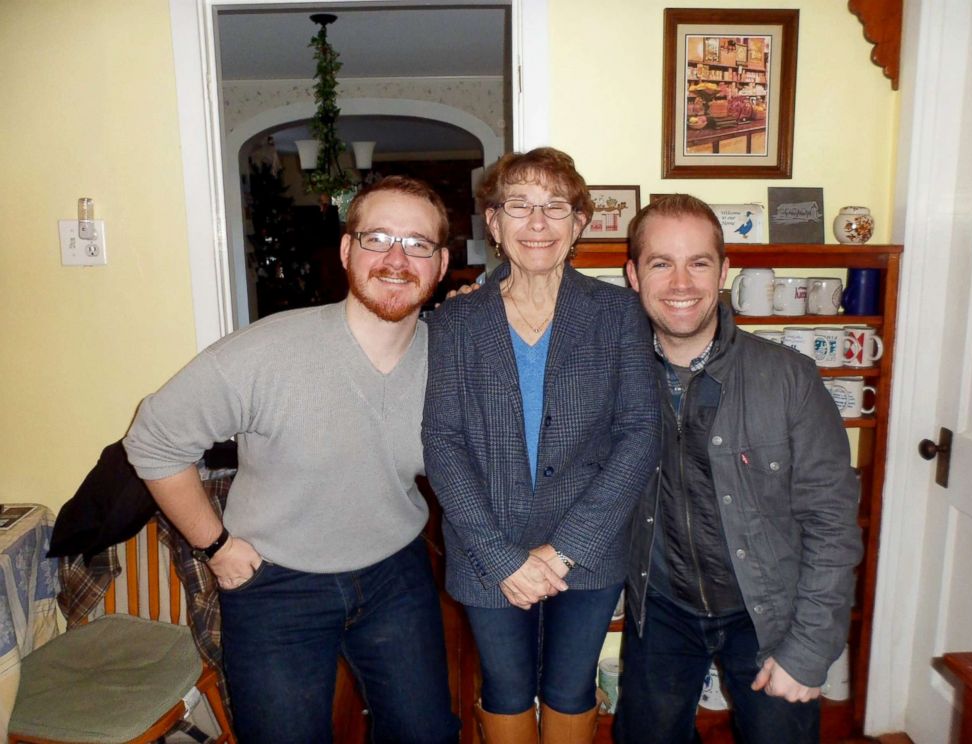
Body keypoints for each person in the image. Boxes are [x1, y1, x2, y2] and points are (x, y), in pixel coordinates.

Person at [123, 176, 460, 744]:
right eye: (377, 237)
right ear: (348, 250)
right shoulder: (267, 352)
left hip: (395, 575)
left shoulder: (453, 359)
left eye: (418, 243)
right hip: (275, 585)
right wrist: (217, 547)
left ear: (441, 263)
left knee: (426, 734)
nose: (397, 259)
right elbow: (153, 441)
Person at [421, 148, 662, 744]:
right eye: (519, 206)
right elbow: (442, 442)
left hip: (590, 547)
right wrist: (504, 559)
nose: (537, 223)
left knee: (571, 687)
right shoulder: (453, 322)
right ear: (494, 224)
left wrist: (564, 550)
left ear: (579, 223)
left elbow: (640, 433)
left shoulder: (619, 314)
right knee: (504, 689)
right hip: (486, 549)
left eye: (555, 207)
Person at [614, 194, 863, 744]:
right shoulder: (612, 374)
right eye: (661, 262)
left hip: (769, 614)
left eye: (699, 262)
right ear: (633, 275)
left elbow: (833, 523)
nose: (682, 283)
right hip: (661, 607)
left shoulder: (790, 378)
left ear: (724, 271)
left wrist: (809, 651)